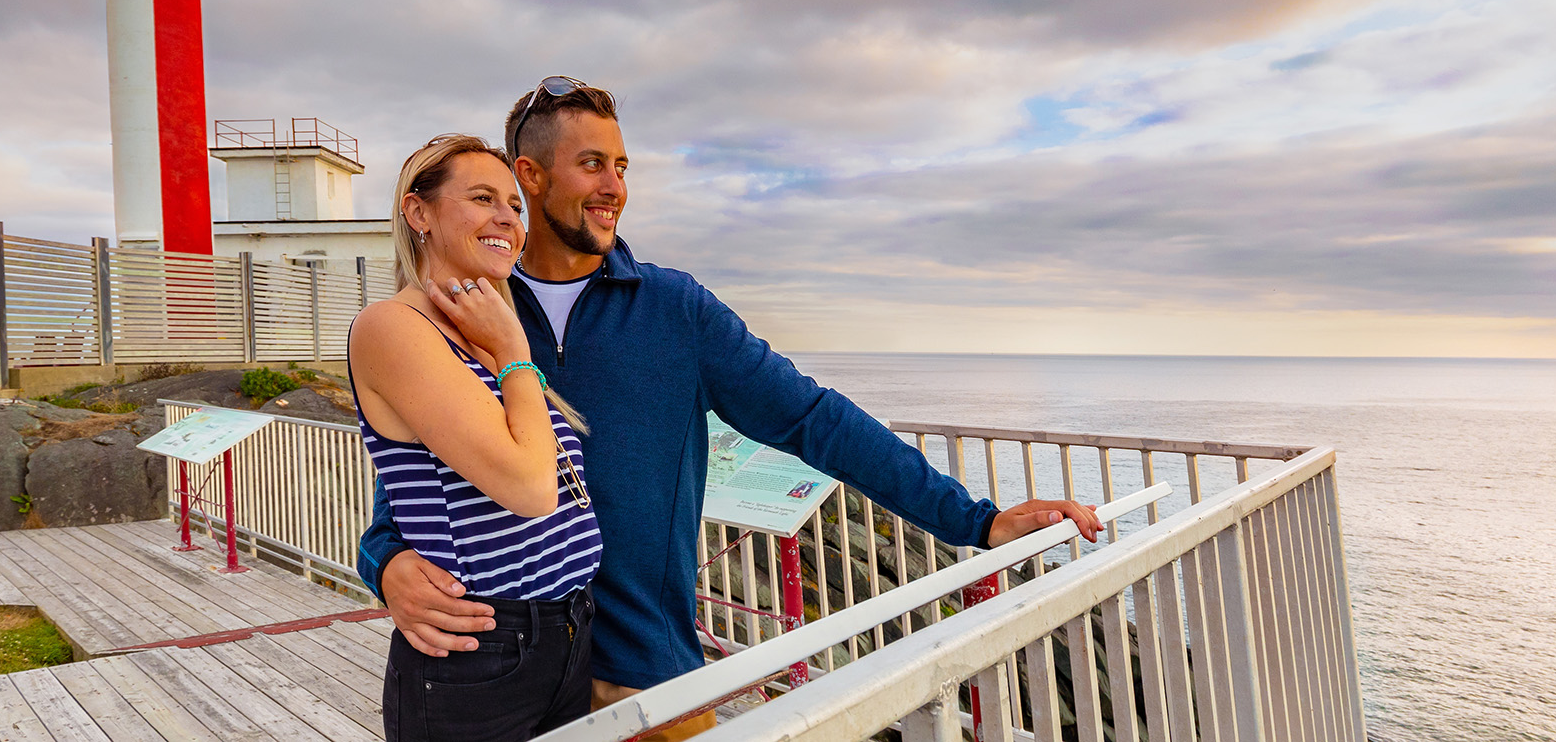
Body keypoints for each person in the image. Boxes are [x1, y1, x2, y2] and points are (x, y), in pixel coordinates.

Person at [358, 78, 1098, 739]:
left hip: (646, 683)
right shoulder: (469, 310)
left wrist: (975, 520)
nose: (615, 186)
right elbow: (421, 475)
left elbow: (814, 419)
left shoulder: (674, 309)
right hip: (502, 673)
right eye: (592, 164)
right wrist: (385, 559)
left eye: (623, 167)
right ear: (531, 174)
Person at [350, 133, 603, 742]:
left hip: (568, 632)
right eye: (483, 198)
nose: (509, 218)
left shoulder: (482, 334)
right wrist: (515, 350)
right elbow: (531, 489)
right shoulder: (394, 327)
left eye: (514, 205)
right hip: (481, 648)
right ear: (419, 213)